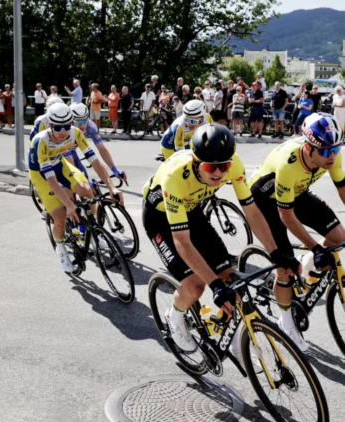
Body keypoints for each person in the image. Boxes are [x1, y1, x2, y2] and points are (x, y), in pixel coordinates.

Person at [143, 123, 298, 360]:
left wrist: (275, 253)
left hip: (191, 209)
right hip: (159, 217)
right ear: (196, 162)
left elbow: (252, 212)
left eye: (224, 166)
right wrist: (214, 285)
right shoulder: (175, 176)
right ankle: (174, 319)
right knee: (196, 286)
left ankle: (236, 340)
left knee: (229, 275)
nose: (219, 173)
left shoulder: (233, 164)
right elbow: (182, 242)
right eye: (211, 167)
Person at [249, 112, 345, 351]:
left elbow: (344, 190)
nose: (331, 156)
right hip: (265, 201)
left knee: (339, 238)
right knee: (286, 269)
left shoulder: (332, 154)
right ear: (308, 146)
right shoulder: (288, 163)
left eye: (336, 148)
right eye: (324, 151)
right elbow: (286, 216)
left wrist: (317, 249)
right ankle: (286, 320)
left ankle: (309, 261)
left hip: (297, 192)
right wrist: (315, 246)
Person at [28, 103, 123, 272]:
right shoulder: (40, 141)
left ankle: (93, 231)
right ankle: (61, 249)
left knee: (88, 190)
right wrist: (69, 204)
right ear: (50, 125)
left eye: (66, 126)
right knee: (60, 216)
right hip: (41, 174)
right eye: (58, 127)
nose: (63, 132)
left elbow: (95, 161)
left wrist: (111, 187)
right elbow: (51, 179)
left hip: (60, 163)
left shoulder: (75, 133)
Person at [68, 103, 126, 181]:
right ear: (71, 121)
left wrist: (114, 169)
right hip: (58, 152)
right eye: (78, 122)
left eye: (85, 120)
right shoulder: (65, 128)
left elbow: (102, 149)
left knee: (84, 179)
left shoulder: (91, 126)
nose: (82, 125)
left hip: (71, 151)